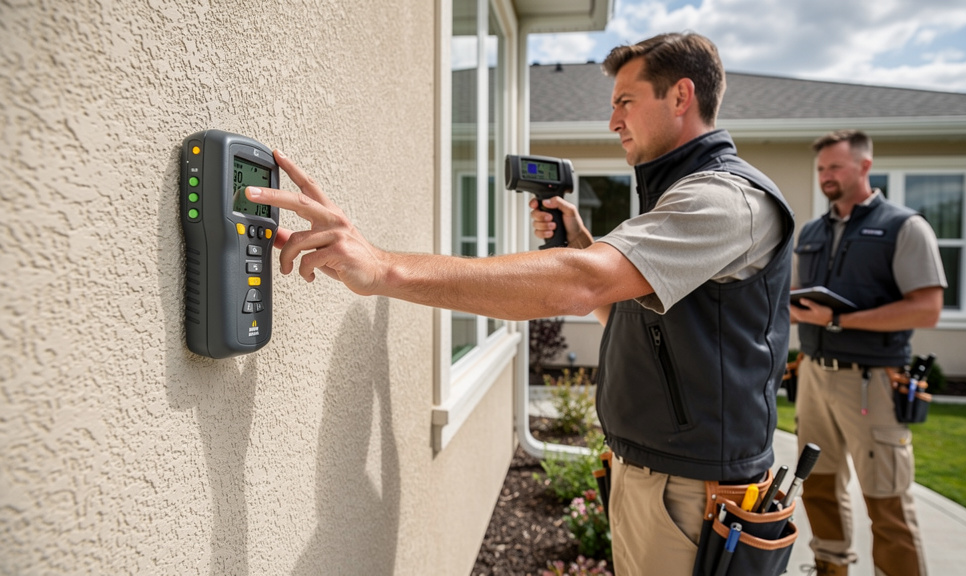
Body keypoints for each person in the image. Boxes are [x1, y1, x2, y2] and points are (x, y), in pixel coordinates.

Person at [246, 32, 794, 575]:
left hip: (694, 491)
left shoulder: (726, 201)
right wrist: (577, 242)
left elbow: (584, 286)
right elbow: (620, 318)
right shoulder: (675, 198)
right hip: (653, 478)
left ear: (680, 96)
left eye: (625, 102)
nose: (613, 122)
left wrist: (385, 267)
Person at [790, 129, 946, 576]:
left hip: (872, 383)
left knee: (887, 501)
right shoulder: (813, 231)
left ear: (864, 166)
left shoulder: (904, 227)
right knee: (817, 486)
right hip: (814, 376)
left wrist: (839, 320)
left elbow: (928, 308)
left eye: (835, 167)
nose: (826, 176)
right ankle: (830, 567)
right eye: (821, 169)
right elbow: (801, 302)